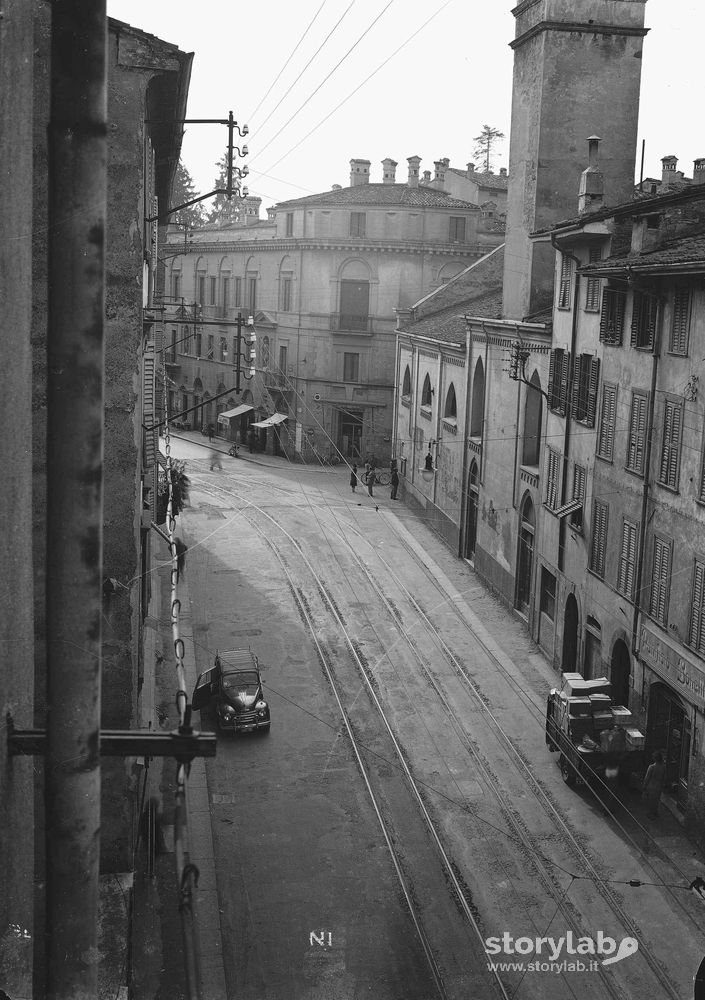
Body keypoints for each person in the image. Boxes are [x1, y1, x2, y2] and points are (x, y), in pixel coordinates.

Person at [643, 750, 666, 818]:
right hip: (659, 786)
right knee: (656, 800)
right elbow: (664, 777)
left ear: (654, 758)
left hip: (651, 786)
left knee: (651, 801)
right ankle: (655, 812)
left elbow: (647, 778)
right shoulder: (663, 767)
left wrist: (644, 786)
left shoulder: (651, 767)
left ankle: (651, 814)